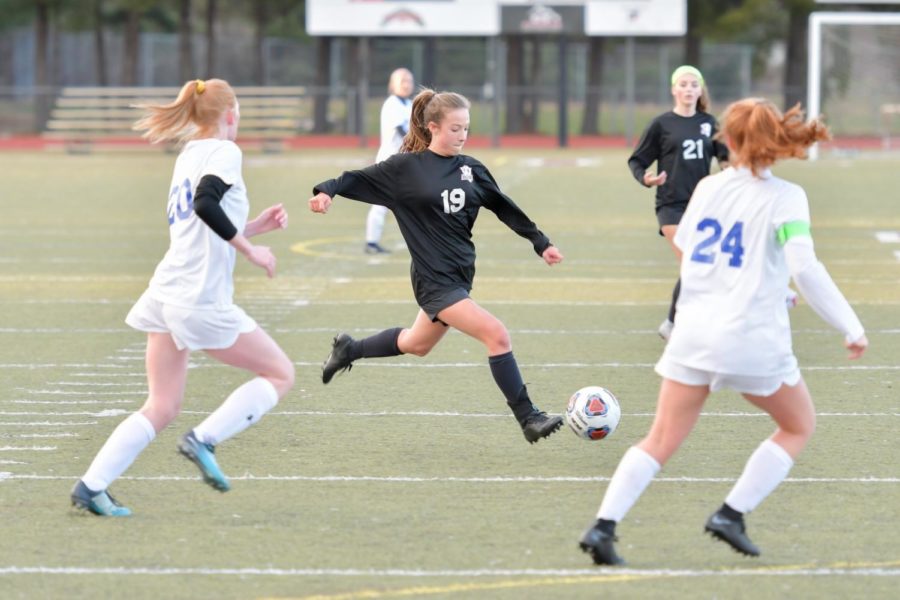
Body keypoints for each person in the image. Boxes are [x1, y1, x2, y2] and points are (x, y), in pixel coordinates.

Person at [580, 98, 868, 565]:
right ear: (775, 140)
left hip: (694, 334)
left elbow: (694, 252)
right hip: (753, 341)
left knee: (658, 441)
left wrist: (772, 286)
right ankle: (731, 514)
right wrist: (849, 324)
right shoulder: (786, 197)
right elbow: (805, 267)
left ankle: (603, 527)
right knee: (798, 425)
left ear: (727, 141)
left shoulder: (709, 189)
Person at [70, 79, 295, 516]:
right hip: (198, 297)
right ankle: (204, 439)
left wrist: (252, 228)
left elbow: (202, 222)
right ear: (230, 114)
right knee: (280, 374)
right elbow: (206, 204)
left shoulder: (190, 152)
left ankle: (91, 486)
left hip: (166, 292)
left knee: (162, 404)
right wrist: (252, 251)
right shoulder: (226, 151)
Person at [308, 88, 566, 444]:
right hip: (434, 279)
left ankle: (349, 349)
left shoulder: (471, 170)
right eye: (456, 128)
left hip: (459, 275)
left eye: (466, 129)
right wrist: (326, 192)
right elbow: (354, 178)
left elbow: (503, 206)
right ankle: (528, 418)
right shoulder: (405, 170)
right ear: (433, 127)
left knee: (417, 344)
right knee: (497, 335)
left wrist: (541, 242)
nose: (462, 135)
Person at [627, 65, 730, 340]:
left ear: (700, 89)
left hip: (704, 206)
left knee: (703, 267)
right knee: (694, 263)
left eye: (693, 85)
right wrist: (646, 178)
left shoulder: (710, 123)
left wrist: (733, 172)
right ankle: (674, 325)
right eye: (683, 84)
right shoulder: (662, 124)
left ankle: (680, 323)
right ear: (674, 89)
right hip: (671, 205)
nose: (688, 89)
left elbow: (725, 159)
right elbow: (636, 160)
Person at [364, 68, 415, 254]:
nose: (406, 84)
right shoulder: (392, 104)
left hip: (406, 162)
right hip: (389, 162)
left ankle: (421, 240)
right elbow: (402, 131)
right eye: (402, 80)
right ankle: (371, 243)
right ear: (392, 85)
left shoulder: (409, 104)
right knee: (380, 203)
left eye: (409, 80)